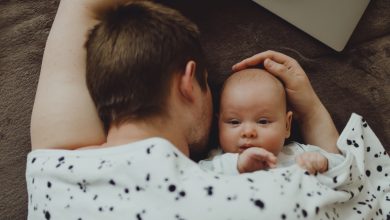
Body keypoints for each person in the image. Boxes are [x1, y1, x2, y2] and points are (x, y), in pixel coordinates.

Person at [27, 0, 342, 219]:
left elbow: (83, 6)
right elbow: (360, 193)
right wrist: (311, 111)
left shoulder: (54, 169)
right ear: (189, 81)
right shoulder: (271, 199)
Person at [199, 68, 343, 175]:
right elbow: (195, 186)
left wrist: (325, 163)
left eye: (262, 121)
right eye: (234, 122)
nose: (248, 132)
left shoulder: (300, 154)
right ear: (218, 125)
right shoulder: (216, 163)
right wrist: (236, 166)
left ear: (287, 125)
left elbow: (344, 169)